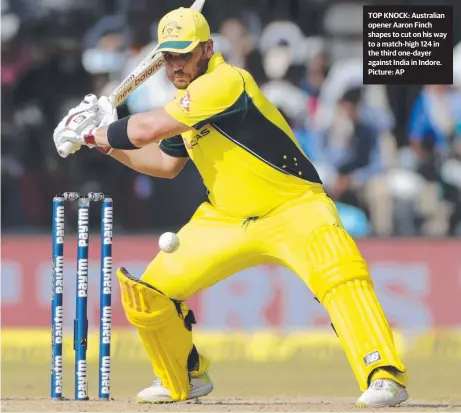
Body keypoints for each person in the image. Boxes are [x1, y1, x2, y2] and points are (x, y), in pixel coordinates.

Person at [53, 7, 408, 407]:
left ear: (208, 48)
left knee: (339, 273)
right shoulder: (184, 102)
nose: (175, 66)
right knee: (150, 292)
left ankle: (383, 375)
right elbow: (164, 164)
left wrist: (92, 130)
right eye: (168, 57)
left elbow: (146, 129)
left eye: (184, 55)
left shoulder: (227, 81)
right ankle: (183, 376)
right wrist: (101, 142)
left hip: (294, 207)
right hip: (226, 218)